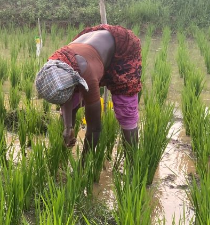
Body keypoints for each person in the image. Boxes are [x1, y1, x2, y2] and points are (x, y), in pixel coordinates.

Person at [35, 24, 142, 154]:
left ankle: (133, 162)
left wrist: (83, 166)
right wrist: (68, 127)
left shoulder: (88, 76)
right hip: (90, 46)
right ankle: (64, 149)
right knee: (72, 97)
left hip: (122, 46)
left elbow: (95, 128)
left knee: (125, 107)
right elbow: (65, 95)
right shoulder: (54, 66)